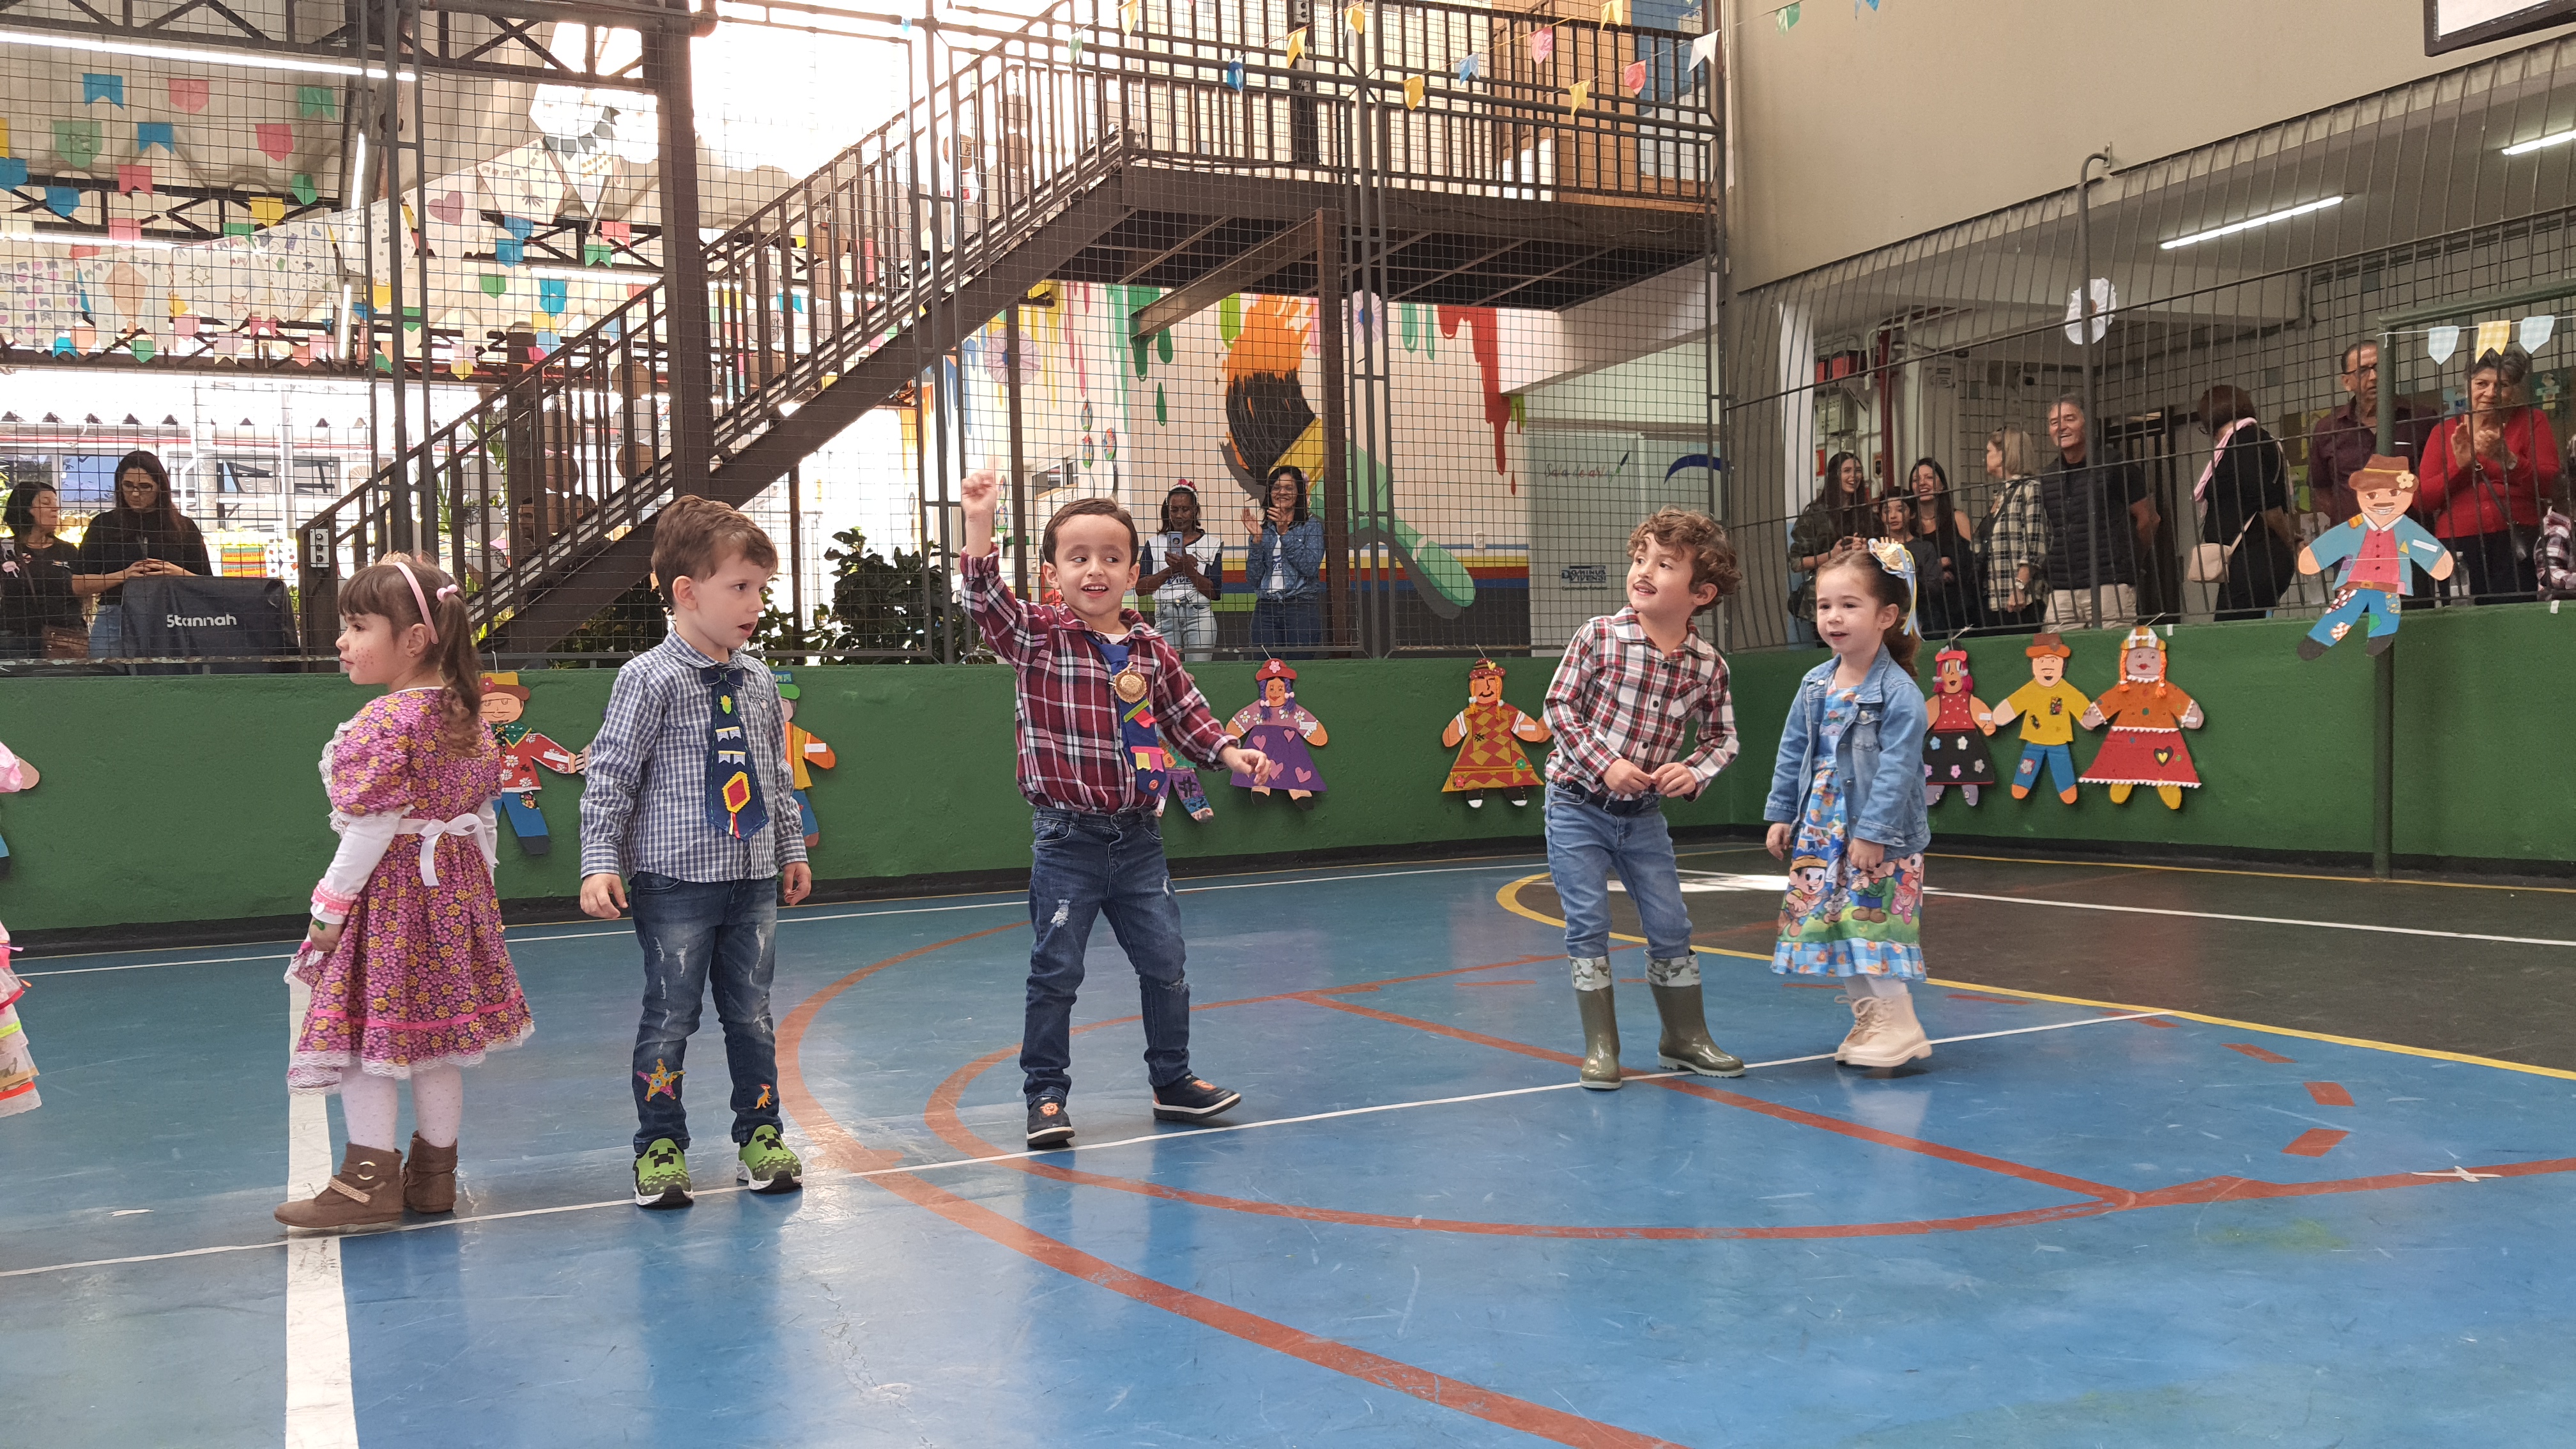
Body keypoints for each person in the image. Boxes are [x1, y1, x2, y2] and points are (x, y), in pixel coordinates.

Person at [958, 468, 1274, 1149]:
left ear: (1134, 572)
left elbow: (1186, 713)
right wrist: (979, 521)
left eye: (1111, 557)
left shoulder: (1151, 649)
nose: (1095, 570)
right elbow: (985, 601)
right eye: (1078, 558)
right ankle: (1046, 1096)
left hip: (1138, 840)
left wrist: (1229, 753)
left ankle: (1173, 1082)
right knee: (1056, 970)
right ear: (1053, 574)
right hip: (1067, 839)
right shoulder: (1038, 637)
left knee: (1166, 962)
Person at [274, 557, 532, 1230]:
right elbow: (483, 821)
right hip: (451, 901)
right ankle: (435, 1177)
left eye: (359, 626)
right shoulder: (467, 716)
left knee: (365, 1041)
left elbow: (370, 829)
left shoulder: (385, 723)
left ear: (414, 639)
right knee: (435, 1044)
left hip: (390, 904)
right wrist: (481, 900)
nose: (343, 641)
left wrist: (329, 908)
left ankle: (367, 1183)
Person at [579, 496, 813, 1210]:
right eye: (740, 587)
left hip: (752, 878)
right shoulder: (648, 678)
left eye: (762, 588)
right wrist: (600, 859)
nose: (756, 604)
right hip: (675, 882)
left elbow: (773, 774)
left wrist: (791, 847)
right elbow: (612, 774)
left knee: (752, 1015)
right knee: (670, 1017)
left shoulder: (759, 679)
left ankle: (760, 1134)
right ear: (687, 592)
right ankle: (660, 1145)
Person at [1544, 506, 1747, 1091]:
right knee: (1588, 922)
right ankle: (1602, 1047)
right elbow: (1559, 708)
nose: (1643, 571)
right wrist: (1605, 765)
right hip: (1576, 805)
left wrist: (1693, 771)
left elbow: (1722, 738)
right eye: (1640, 558)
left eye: (1664, 564)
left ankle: (1684, 1038)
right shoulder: (1600, 637)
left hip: (1644, 819)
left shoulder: (1707, 665)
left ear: (1701, 594)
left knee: (1670, 922)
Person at [1762, 539, 1933, 1070]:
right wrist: (1781, 813)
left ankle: (1900, 1023)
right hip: (1822, 831)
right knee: (1837, 924)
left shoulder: (1899, 694)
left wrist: (1873, 833)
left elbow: (1899, 772)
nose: (1833, 617)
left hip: (1872, 834)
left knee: (1872, 925)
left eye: (1849, 605)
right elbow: (1793, 751)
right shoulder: (1815, 684)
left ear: (1886, 616)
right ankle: (1872, 1019)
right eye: (1824, 605)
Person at [2416, 346, 2557, 603]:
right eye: (2482, 383)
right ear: (2467, 386)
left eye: (2502, 385)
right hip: (2459, 546)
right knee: (2463, 620)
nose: (2491, 393)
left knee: (2521, 615)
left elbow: (2552, 485)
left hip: (2519, 540)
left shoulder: (2531, 420)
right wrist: (2460, 467)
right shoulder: (2444, 431)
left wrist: (2509, 460)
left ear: (2515, 391)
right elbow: (2422, 500)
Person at [2296, 454, 2455, 659]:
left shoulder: (2406, 528)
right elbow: (2334, 542)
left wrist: (2438, 561)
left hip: (2389, 582)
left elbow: (2422, 545)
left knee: (2387, 608)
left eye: (2393, 493)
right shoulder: (2355, 526)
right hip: (2355, 581)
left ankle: (2380, 636)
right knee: (2344, 609)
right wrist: (2315, 557)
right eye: (2372, 495)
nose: (2383, 501)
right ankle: (2320, 638)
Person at [73, 450, 210, 660]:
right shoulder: (104, 525)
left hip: (170, 619)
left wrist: (177, 574)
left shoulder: (183, 527)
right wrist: (124, 575)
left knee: (169, 676)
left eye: (145, 487)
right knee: (107, 676)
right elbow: (78, 584)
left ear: (160, 487)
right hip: (115, 617)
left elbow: (208, 585)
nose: (135, 494)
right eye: (128, 486)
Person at [2039, 396, 2158, 628]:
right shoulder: (2049, 475)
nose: (2061, 427)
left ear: (2087, 424)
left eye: (2069, 419)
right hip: (2063, 586)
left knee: (2113, 649)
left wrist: (2130, 559)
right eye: (2054, 422)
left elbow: (2149, 519)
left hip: (2110, 583)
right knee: (2059, 650)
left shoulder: (2114, 465)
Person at [2192, 385, 2298, 620]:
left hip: (2255, 559)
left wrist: (2289, 540)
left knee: (2232, 633)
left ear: (2208, 423)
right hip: (2251, 559)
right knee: (2241, 628)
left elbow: (2264, 498)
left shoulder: (2245, 441)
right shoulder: (2246, 442)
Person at [2308, 339, 2433, 520]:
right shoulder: (2328, 429)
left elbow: (2436, 480)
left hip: (2411, 530)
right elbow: (2321, 490)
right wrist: (2352, 521)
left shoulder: (2422, 418)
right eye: (2363, 371)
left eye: (2379, 367)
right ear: (2346, 382)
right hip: (2353, 533)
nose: (2374, 376)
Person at [1988, 631, 2090, 804]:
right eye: (2041, 661)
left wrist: (2090, 717)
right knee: (2028, 762)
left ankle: (2067, 787)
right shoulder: (2030, 689)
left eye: (2053, 661)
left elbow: (2082, 707)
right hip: (2034, 739)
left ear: (2062, 665)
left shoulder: (2066, 690)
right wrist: (2000, 715)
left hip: (2058, 740)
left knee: (2062, 764)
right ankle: (2022, 783)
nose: (2047, 666)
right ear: (2034, 665)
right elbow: (2014, 704)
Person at [0, 481, 99, 659]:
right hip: (13, 639)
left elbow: (84, 593)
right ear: (25, 508)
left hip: (65, 638)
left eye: (55, 503)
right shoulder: (5, 549)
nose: (56, 509)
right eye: (46, 503)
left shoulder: (67, 550)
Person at [1972, 425, 2048, 634]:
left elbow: (2035, 542)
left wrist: (2020, 587)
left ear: (2003, 454)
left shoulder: (2029, 489)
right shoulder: (2002, 493)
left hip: (2019, 599)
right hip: (1994, 598)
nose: (1985, 457)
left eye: (1989, 451)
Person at [1243, 466, 1324, 657]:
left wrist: (1285, 533)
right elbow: (1253, 578)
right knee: (1266, 669)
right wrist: (1257, 541)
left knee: (1300, 668)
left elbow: (1310, 568)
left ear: (1299, 493)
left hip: (1300, 607)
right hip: (1266, 609)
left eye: (1289, 488)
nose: (1282, 493)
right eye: (1277, 487)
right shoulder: (1263, 530)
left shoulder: (1311, 526)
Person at [1788, 450, 1872, 633]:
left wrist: (1866, 550)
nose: (1854, 476)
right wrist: (1832, 556)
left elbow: (1881, 551)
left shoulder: (1866, 512)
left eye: (1858, 470)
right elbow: (1796, 563)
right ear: (1834, 476)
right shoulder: (1815, 514)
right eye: (1847, 471)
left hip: (1861, 592)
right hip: (1827, 595)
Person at [1140, 481, 1222, 663]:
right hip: (1165, 615)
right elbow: (1140, 589)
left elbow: (1214, 593)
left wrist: (1187, 569)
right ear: (1167, 511)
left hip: (1199, 616)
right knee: (1166, 670)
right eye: (1174, 510)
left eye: (1185, 509)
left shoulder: (1211, 544)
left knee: (1200, 670)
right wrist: (1171, 570)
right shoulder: (1154, 543)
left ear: (1195, 511)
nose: (1179, 515)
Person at [1899, 458, 1977, 639]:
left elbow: (1974, 558)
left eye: (1929, 478)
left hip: (1960, 606)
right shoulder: (1909, 526)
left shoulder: (1957, 518)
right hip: (1924, 609)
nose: (1922, 483)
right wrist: (1935, 567)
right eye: (1916, 480)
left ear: (1942, 486)